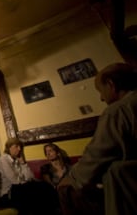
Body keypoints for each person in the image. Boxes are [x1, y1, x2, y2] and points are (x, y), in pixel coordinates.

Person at [58, 62, 137, 215]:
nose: (101, 98)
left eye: (100, 91)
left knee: (65, 190)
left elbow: (97, 155)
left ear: (111, 84)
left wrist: (71, 178)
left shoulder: (118, 110)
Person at [0, 138, 60, 215]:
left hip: (22, 189)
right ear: (9, 147)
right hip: (9, 193)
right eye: (17, 146)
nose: (19, 149)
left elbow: (30, 177)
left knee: (44, 186)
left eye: (20, 147)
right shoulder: (3, 159)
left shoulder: (18, 160)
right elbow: (14, 181)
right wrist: (27, 182)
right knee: (35, 189)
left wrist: (23, 163)